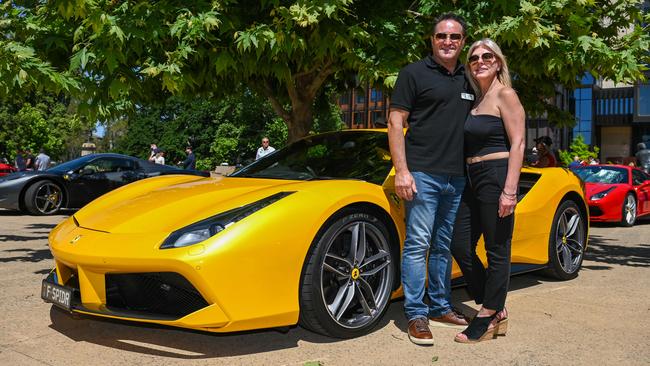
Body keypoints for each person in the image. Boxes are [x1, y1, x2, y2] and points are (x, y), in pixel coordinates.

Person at [388, 13, 474, 346]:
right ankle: (416, 314)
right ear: (432, 39)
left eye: (455, 37)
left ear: (463, 41)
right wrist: (403, 170)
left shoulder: (470, 79)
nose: (448, 42)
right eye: (442, 36)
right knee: (417, 246)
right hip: (422, 174)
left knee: (441, 247)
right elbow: (396, 123)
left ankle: (439, 306)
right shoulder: (413, 73)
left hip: (457, 177)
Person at [450, 38, 525, 343]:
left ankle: (488, 312)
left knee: (497, 248)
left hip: (496, 174)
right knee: (459, 242)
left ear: (498, 62)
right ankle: (494, 305)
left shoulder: (505, 94)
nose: (479, 61)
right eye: (473, 58)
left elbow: (518, 142)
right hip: (473, 176)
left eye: (487, 56)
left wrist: (509, 190)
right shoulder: (476, 101)